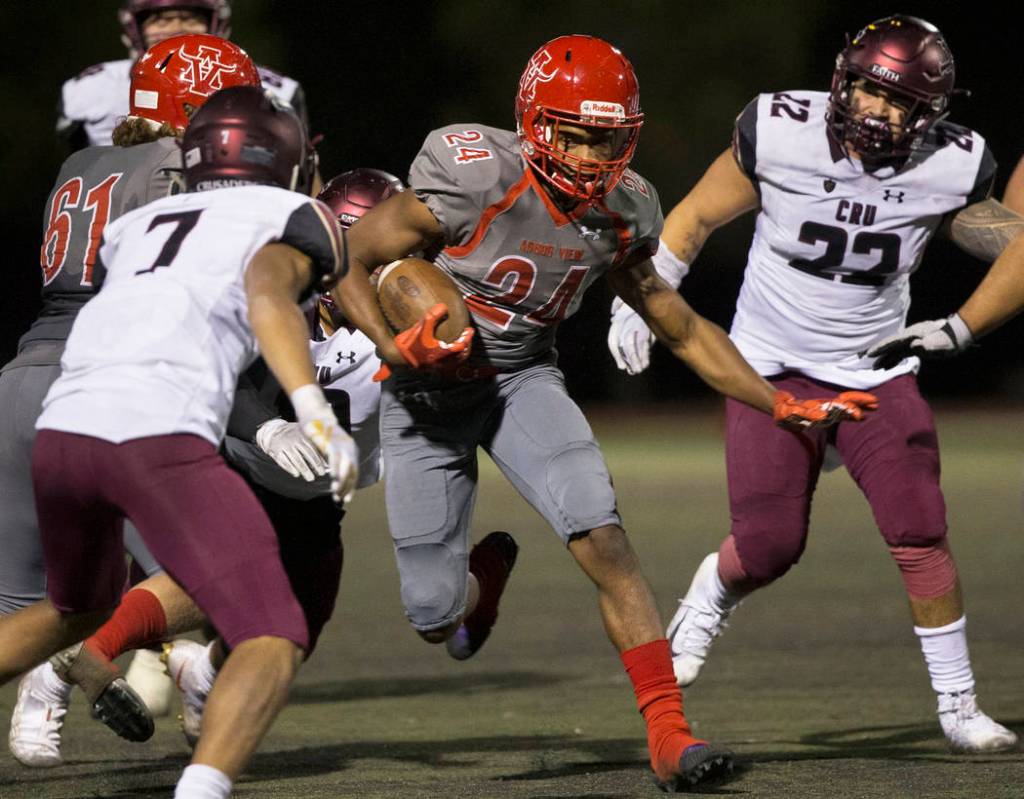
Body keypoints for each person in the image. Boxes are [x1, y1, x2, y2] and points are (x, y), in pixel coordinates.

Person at [335, 34, 875, 791]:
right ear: (534, 122)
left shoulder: (624, 211)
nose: (591, 158)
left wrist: (778, 398)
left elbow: (680, 326)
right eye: (575, 135)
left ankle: (669, 734)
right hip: (426, 396)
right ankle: (481, 579)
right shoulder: (473, 175)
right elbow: (345, 257)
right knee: (431, 613)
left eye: (607, 139)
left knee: (603, 533)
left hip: (521, 382)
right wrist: (393, 349)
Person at [606, 15, 1022, 753]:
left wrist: (957, 326)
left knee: (920, 526)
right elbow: (697, 216)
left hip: (873, 365)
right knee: (769, 545)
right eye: (866, 89)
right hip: (769, 366)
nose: (875, 110)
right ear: (841, 80)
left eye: (897, 102)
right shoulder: (779, 129)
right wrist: (642, 295)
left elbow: (1015, 248)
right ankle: (709, 595)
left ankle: (958, 705)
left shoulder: (954, 165)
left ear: (930, 116)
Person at [0, 85, 357, 799]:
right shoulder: (288, 213)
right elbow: (266, 294)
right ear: (283, 161)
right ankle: (202, 790)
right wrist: (311, 405)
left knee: (75, 610)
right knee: (272, 630)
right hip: (154, 431)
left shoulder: (144, 218)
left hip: (65, 426)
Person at [3, 34, 262, 767]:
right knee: (222, 569)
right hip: (103, 386)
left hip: (22, 377)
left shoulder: (78, 163)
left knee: (27, 610)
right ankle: (189, 671)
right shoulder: (180, 173)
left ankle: (50, 687)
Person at [58, 0, 307, 151]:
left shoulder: (265, 86)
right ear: (132, 28)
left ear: (217, 25)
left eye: (189, 18)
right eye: (160, 20)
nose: (176, 29)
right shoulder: (92, 88)